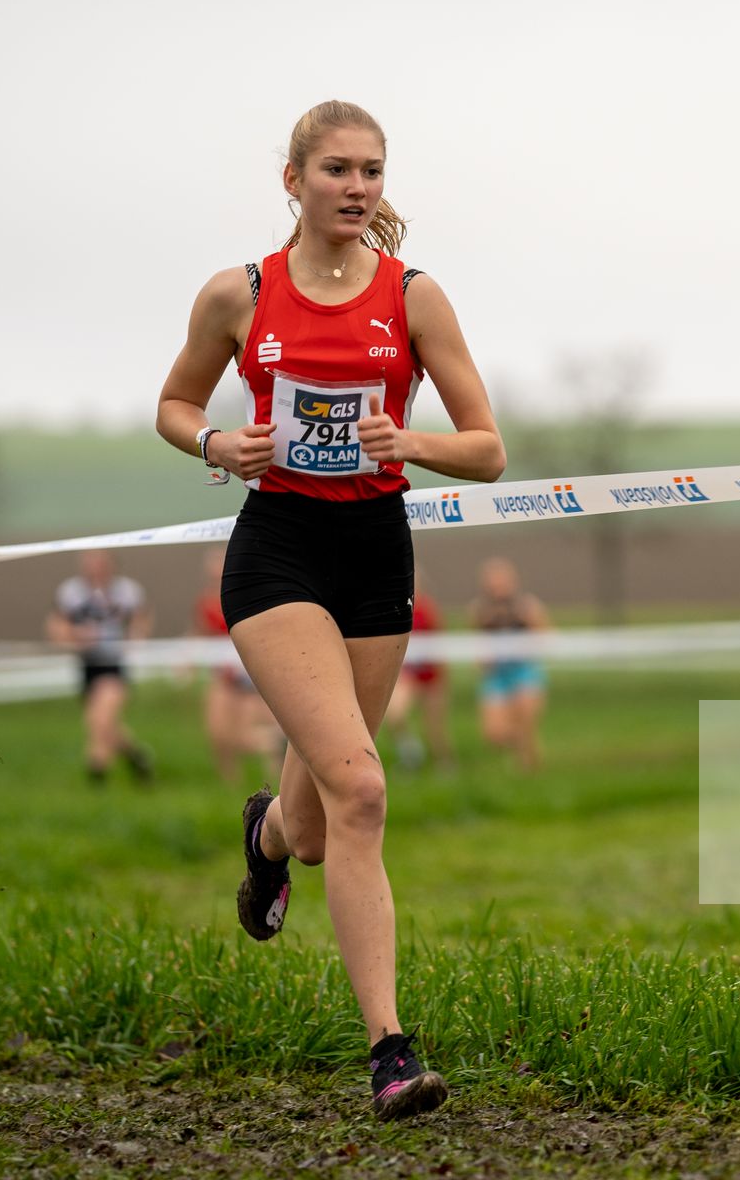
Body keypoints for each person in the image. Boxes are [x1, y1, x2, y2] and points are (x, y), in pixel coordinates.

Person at [154, 100, 503, 1121]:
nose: (358, 187)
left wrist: (413, 444)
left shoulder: (416, 297)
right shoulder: (239, 293)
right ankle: (391, 1049)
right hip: (277, 554)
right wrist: (219, 443)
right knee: (362, 790)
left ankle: (265, 838)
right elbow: (173, 405)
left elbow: (487, 445)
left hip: (375, 557)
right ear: (294, 179)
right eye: (339, 169)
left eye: (373, 171)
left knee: (313, 827)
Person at [47, 550, 156, 784]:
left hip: (113, 663)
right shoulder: (71, 592)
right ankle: (138, 757)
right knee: (104, 723)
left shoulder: (127, 591)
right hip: (86, 663)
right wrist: (75, 635)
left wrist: (135, 638)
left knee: (100, 721)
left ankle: (97, 773)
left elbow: (142, 620)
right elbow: (57, 626)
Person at [193, 549, 283, 784]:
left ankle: (277, 758)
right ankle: (231, 784)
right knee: (218, 734)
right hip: (223, 674)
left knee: (244, 736)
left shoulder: (250, 595)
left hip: (248, 673)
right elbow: (202, 634)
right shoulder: (205, 601)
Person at [471, 558, 550, 772]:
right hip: (496, 676)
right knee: (495, 734)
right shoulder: (481, 610)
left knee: (526, 723)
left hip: (525, 672)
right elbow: (478, 641)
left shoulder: (527, 606)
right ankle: (524, 751)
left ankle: (529, 769)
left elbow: (545, 637)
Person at [383, 572, 454, 772]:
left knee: (435, 726)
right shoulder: (395, 608)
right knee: (396, 715)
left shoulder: (429, 610)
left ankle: (444, 762)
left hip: (431, 675)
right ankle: (411, 754)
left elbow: (439, 643)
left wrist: (443, 677)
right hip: (408, 674)